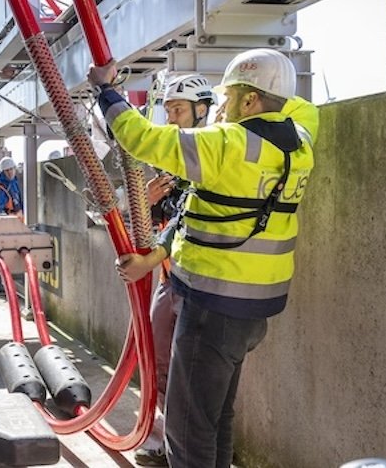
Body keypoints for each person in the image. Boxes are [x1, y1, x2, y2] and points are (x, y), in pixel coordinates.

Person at [88, 48, 319, 468]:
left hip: (212, 305)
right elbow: (300, 107)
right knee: (217, 415)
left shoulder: (226, 143)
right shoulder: (300, 139)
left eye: (228, 97)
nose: (222, 106)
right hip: (255, 310)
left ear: (250, 101)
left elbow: (141, 138)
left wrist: (105, 89)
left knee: (189, 426)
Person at [134, 74, 216, 467]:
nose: (171, 120)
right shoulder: (168, 167)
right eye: (167, 112)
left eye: (178, 110)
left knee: (191, 374)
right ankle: (161, 440)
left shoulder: (214, 160)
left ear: (202, 111)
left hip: (198, 286)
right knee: (159, 362)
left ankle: (193, 451)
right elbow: (152, 231)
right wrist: (147, 204)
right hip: (168, 282)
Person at [0, 156, 24, 296]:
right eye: (7, 170)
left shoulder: (14, 183)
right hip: (6, 227)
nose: (10, 172)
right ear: (2, 172)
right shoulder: (0, 188)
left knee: (12, 255)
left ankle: (4, 284)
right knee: (4, 255)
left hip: (16, 225)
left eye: (11, 169)